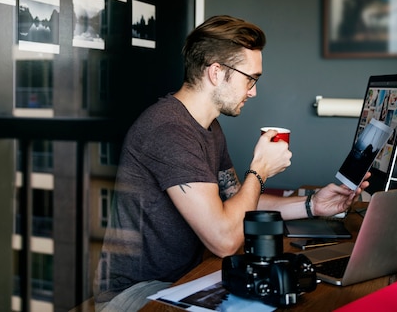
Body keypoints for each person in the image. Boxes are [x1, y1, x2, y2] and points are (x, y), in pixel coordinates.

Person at [92, 15, 370, 311]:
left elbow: (239, 204)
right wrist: (259, 169)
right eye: (250, 78)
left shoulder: (208, 127)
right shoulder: (168, 131)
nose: (253, 91)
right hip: (136, 293)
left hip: (184, 279)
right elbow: (224, 239)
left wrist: (312, 205)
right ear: (216, 72)